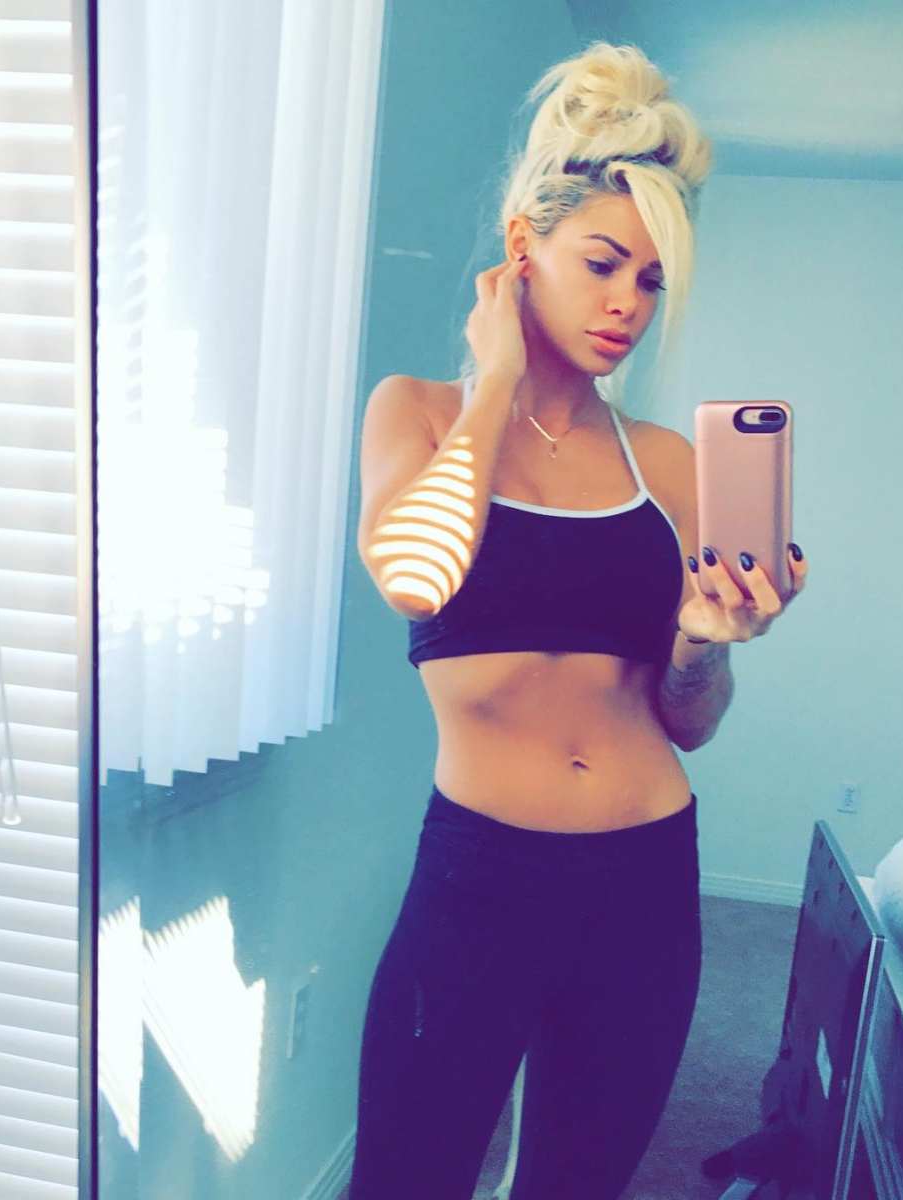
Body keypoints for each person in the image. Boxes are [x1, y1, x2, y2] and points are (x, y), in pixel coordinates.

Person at [350, 41, 808, 1200]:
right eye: (602, 263)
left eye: (649, 281)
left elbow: (687, 721)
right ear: (523, 251)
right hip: (478, 870)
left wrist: (703, 641)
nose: (626, 305)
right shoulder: (420, 414)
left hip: (644, 876)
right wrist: (496, 381)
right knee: (405, 1170)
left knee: (577, 1180)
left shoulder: (665, 464)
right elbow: (413, 575)